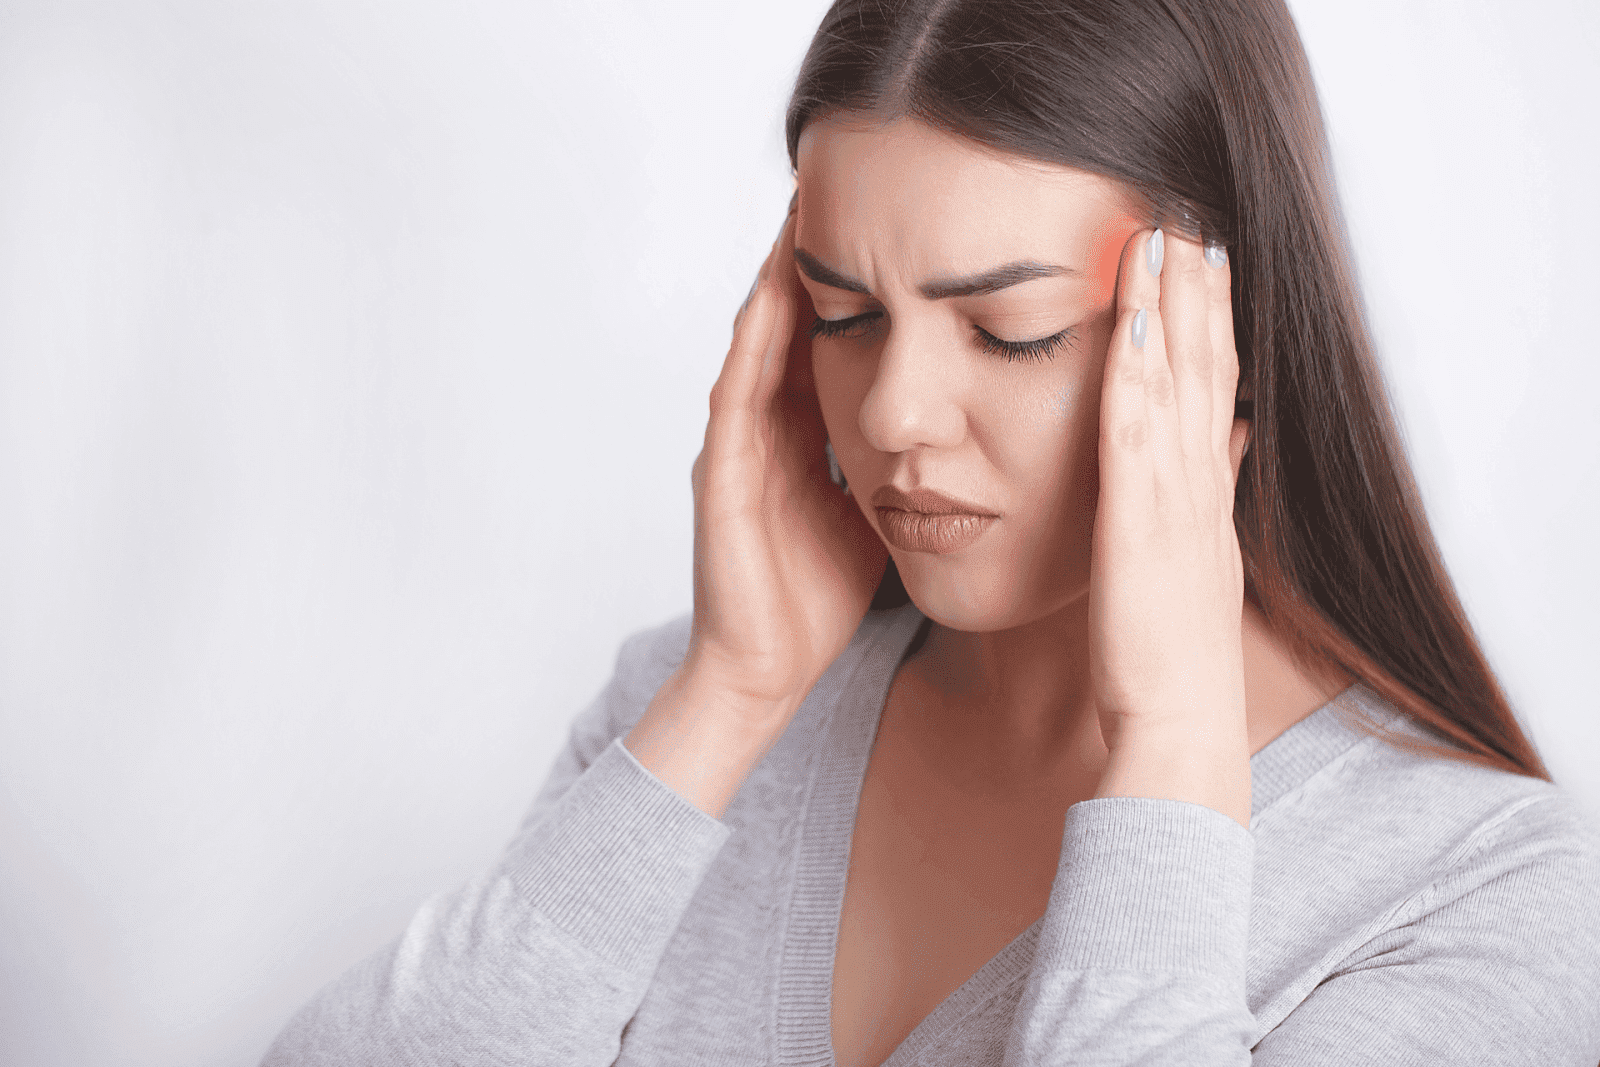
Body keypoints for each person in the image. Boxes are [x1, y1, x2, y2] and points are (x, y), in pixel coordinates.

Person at [262, 0, 1600, 1063]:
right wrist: (728, 697)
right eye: (843, 312)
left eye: (1008, 331)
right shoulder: (676, 720)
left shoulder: (1482, 894)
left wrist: (1171, 756)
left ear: (1227, 336)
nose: (894, 412)